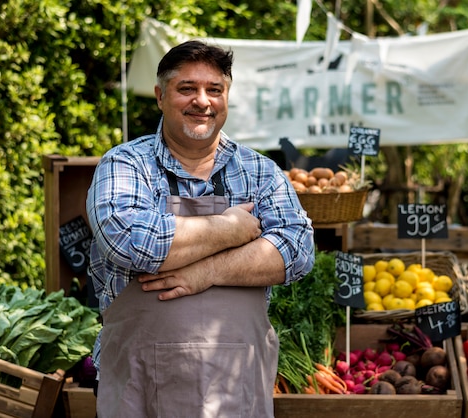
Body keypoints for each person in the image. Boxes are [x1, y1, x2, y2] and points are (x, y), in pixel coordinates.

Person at [86, 39, 315, 418]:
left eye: (215, 90)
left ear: (227, 97)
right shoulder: (126, 163)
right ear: (160, 96)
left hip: (236, 385)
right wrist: (229, 229)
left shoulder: (260, 172)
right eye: (187, 89)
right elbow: (129, 241)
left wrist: (205, 271)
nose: (202, 101)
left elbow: (298, 250)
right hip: (139, 383)